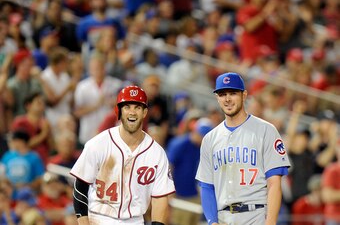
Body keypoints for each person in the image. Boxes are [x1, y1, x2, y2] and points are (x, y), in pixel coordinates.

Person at [70, 85, 175, 225]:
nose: (132, 112)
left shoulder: (156, 153)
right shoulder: (98, 144)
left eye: (137, 107)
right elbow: (80, 188)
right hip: (98, 218)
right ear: (119, 111)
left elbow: (160, 198)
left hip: (135, 221)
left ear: (144, 112)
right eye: (127, 107)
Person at [195, 72, 291, 225]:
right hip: (223, 217)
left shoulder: (266, 130)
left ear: (244, 95)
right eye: (222, 94)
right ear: (217, 98)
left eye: (233, 93)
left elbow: (274, 182)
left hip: (256, 215)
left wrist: (271, 221)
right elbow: (207, 186)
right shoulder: (210, 139)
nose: (227, 99)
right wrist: (212, 222)